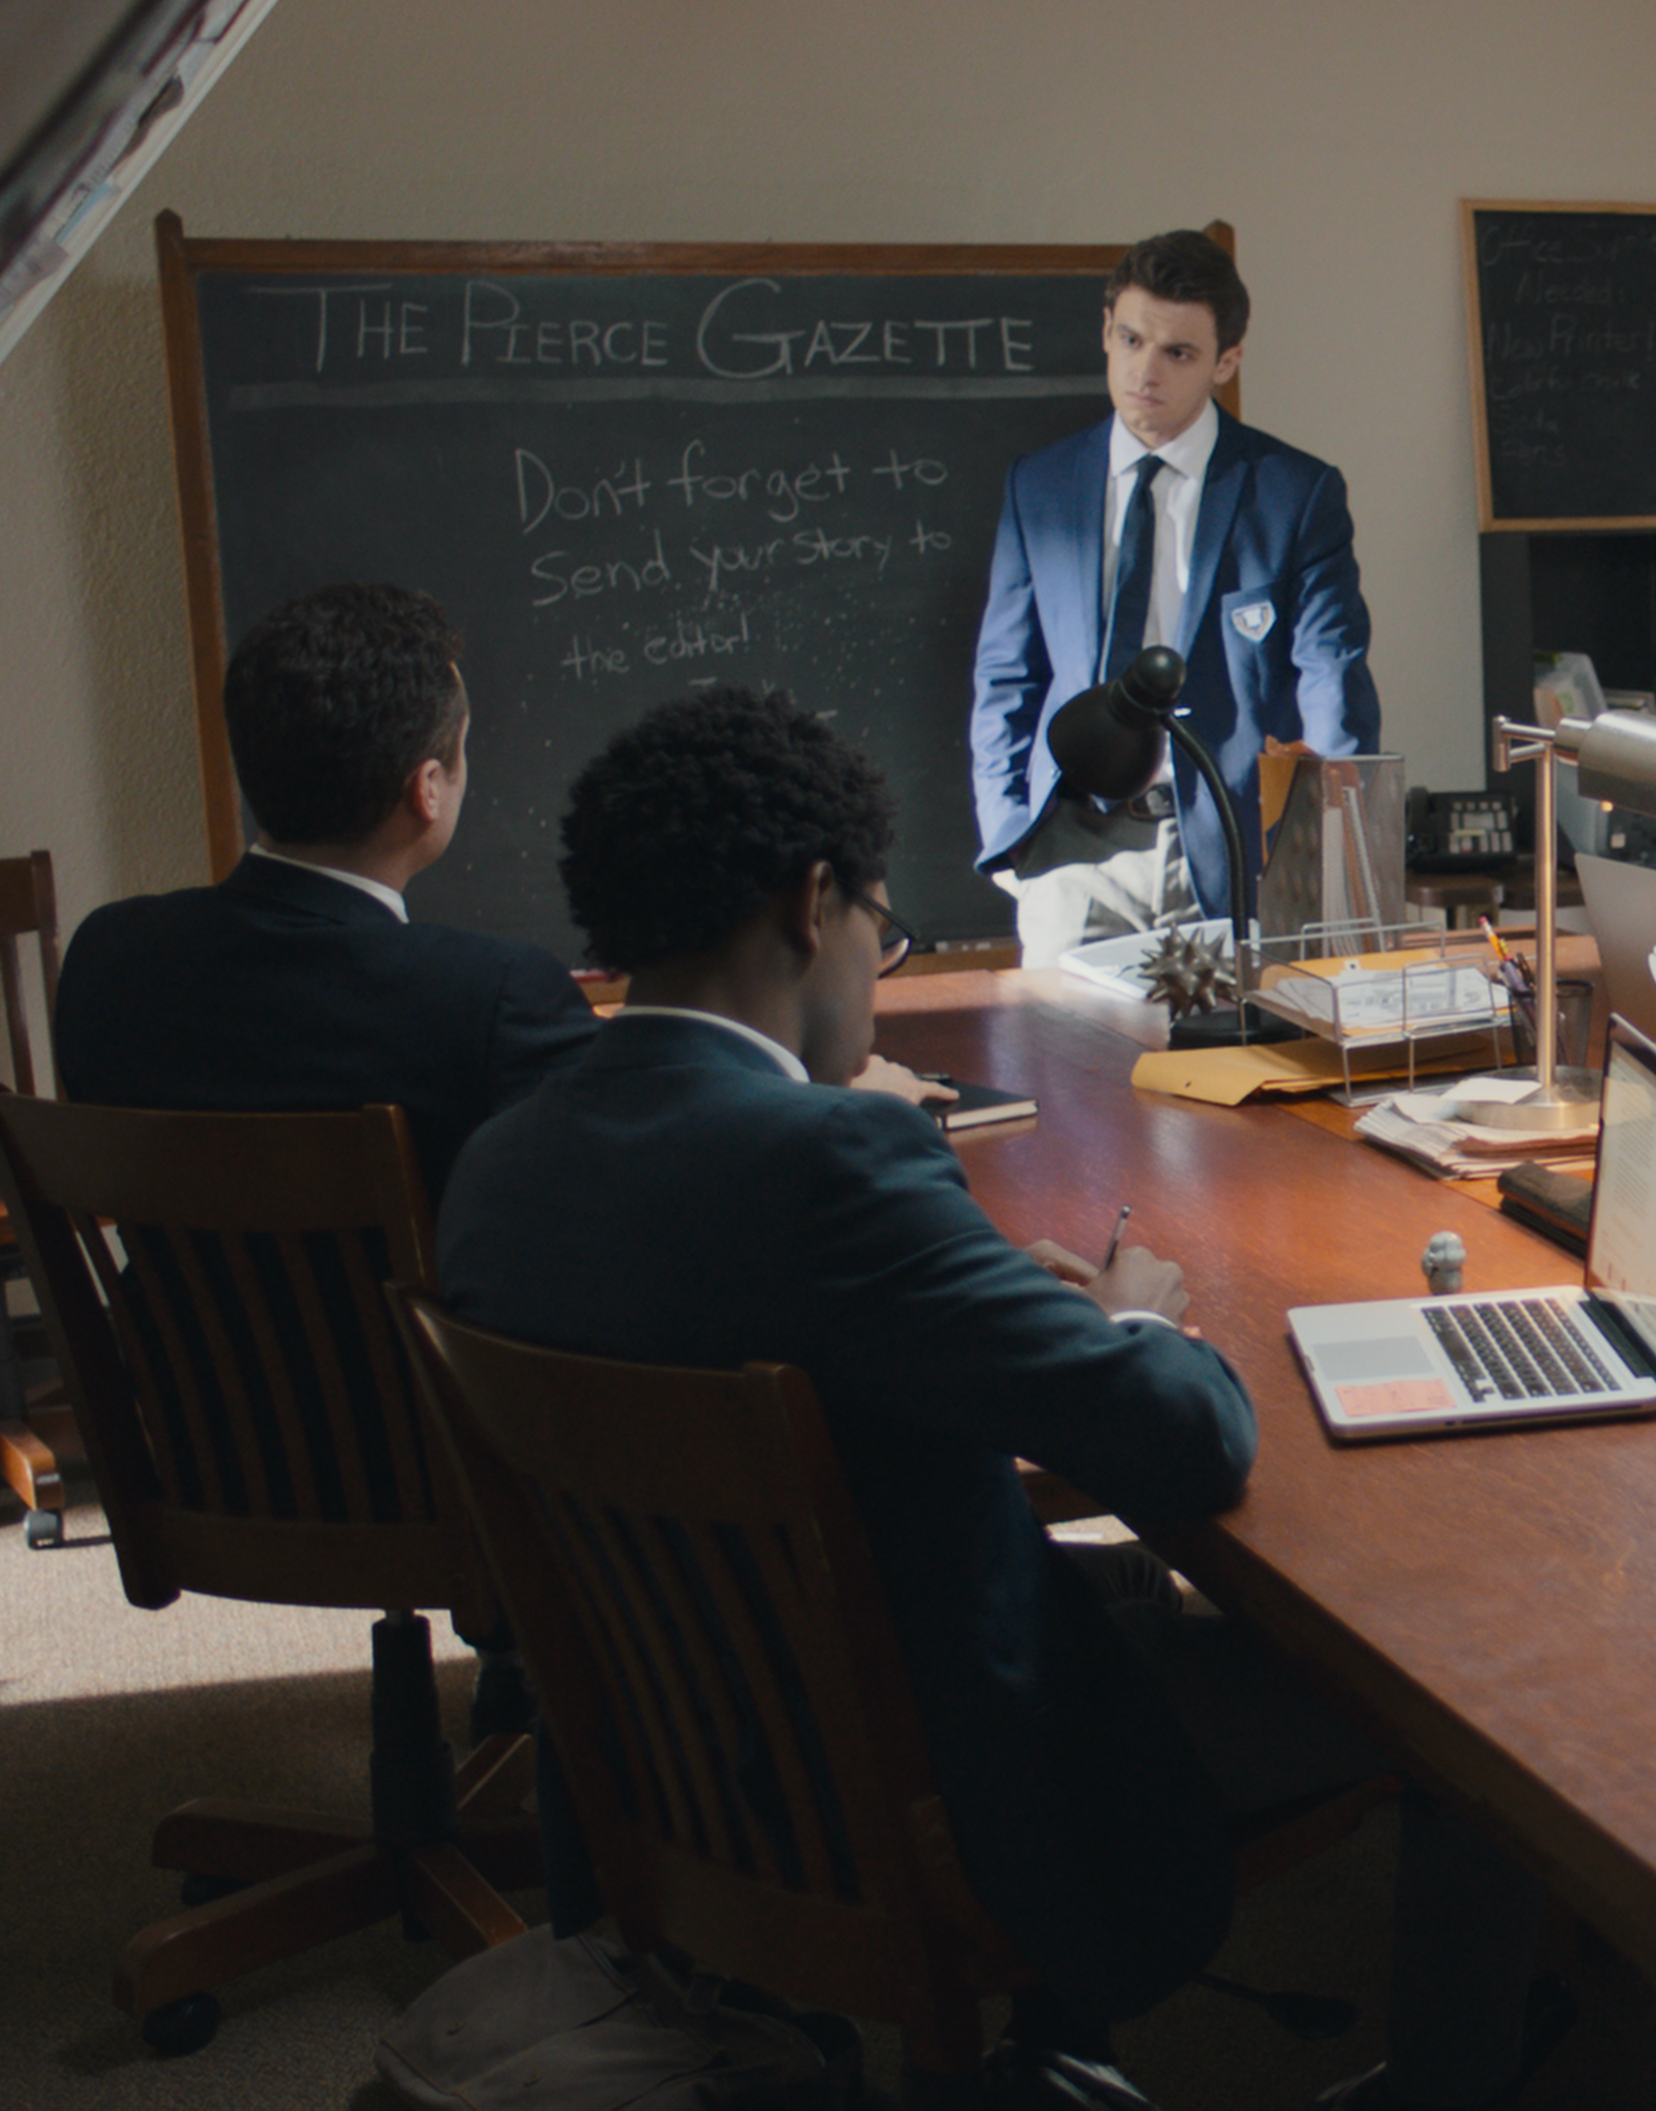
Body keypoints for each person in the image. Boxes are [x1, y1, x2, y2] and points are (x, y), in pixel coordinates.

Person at [440, 688, 1546, 2111]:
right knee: (1482, 1709)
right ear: (810, 902)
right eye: (879, 929)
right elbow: (1195, 1441)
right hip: (928, 1787)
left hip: (671, 1771)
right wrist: (1129, 1320)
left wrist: (1004, 1313)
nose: (873, 964)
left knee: (1154, 1595)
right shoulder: (836, 1167)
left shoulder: (500, 1165)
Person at [55, 583, 600, 1191]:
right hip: (407, 1292)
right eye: (461, 750)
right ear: (426, 789)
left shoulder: (109, 955)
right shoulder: (496, 1000)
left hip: (163, 1290)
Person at [967, 230, 1381, 956]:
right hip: (1071, 852)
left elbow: (1333, 676)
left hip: (1228, 847)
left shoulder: (1294, 494)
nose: (1144, 371)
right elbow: (1006, 675)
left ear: (1227, 362)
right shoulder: (1038, 484)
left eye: (1178, 353)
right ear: (1106, 331)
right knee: (1054, 1070)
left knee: (1231, 1065)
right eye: (1130, 339)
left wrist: (1335, 852)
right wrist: (1011, 843)